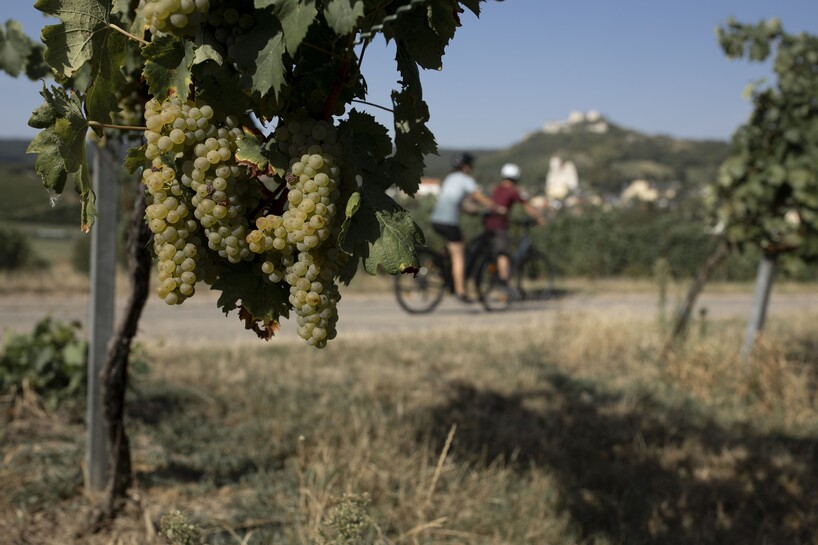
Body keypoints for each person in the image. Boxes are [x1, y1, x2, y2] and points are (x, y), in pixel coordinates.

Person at [430, 152, 502, 303]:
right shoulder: (465, 179)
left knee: (457, 241)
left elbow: (453, 201)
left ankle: (441, 264)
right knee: (459, 254)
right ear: (466, 166)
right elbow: (479, 196)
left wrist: (470, 211)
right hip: (449, 221)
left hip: (436, 219)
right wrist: (496, 208)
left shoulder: (450, 178)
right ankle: (460, 290)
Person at [484, 163, 545, 288]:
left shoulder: (497, 188)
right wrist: (539, 218)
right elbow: (526, 206)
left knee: (496, 251)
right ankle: (504, 284)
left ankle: (496, 276)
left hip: (488, 223)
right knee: (503, 253)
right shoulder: (513, 191)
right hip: (499, 225)